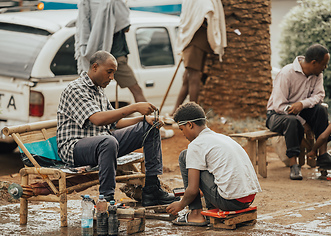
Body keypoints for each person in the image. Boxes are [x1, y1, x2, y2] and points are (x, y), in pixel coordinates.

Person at [57, 51, 179, 206]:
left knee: (149, 128)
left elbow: (115, 122)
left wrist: (144, 119)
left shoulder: (98, 90)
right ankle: (106, 199)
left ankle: (152, 190)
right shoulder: (76, 89)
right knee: (108, 141)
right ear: (95, 67)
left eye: (114, 73)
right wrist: (134, 107)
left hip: (102, 145)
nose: (112, 78)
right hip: (74, 149)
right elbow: (97, 119)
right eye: (109, 72)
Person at [75, 0, 173, 139]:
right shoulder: (112, 3)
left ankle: (150, 125)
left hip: (111, 54)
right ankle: (154, 127)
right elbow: (125, 25)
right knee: (136, 90)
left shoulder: (91, 6)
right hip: (116, 56)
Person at [166, 102, 261, 226]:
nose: (183, 134)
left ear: (190, 125)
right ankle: (209, 206)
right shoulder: (222, 138)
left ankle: (195, 214)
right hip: (248, 199)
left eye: (182, 129)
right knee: (201, 162)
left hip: (230, 202)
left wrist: (181, 204)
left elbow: (192, 190)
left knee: (185, 155)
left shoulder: (196, 145)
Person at [266, 44, 331, 181]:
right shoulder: (286, 73)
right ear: (314, 63)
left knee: (321, 109)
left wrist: (302, 104)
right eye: (324, 64)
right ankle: (294, 165)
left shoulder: (317, 74)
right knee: (292, 121)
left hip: (301, 111)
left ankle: (323, 156)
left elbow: (319, 96)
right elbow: (279, 106)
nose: (325, 68)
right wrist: (303, 123)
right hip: (277, 115)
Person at [169, 0, 227, 116]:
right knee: (187, 77)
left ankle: (192, 114)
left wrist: (194, 25)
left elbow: (206, 13)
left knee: (193, 76)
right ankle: (175, 111)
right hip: (191, 40)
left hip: (195, 40)